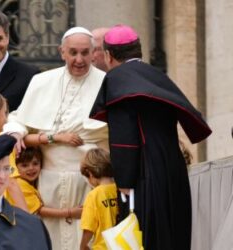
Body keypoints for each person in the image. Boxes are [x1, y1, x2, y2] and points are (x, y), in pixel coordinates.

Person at [90, 24, 212, 250]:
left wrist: (125, 182)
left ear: (108, 55)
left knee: (144, 236)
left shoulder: (117, 78)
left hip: (144, 171)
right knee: (172, 233)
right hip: (172, 166)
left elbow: (123, 136)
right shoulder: (156, 74)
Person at [3, 26, 108, 250]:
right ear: (62, 52)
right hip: (48, 180)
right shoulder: (41, 81)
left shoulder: (107, 83)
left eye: (85, 53)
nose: (79, 59)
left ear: (94, 53)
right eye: (73, 53)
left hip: (89, 180)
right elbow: (18, 119)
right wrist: (16, 131)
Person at [15, 147, 82, 220]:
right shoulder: (19, 184)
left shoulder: (32, 182)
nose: (31, 168)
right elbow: (39, 211)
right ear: (16, 167)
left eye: (35, 163)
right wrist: (70, 212)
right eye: (24, 165)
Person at [79, 148, 118, 250]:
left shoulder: (93, 196)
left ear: (90, 173)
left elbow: (88, 229)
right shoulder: (121, 189)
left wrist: (82, 246)